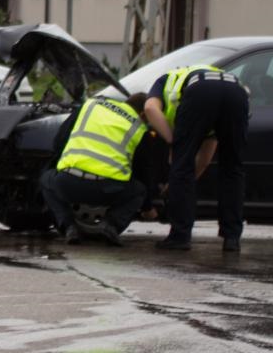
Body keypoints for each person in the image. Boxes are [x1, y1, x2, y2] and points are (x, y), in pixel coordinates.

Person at [144, 65, 251, 252]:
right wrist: (184, 182)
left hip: (200, 91)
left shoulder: (164, 80)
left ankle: (180, 237)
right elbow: (204, 159)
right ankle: (232, 238)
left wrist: (173, 141)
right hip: (237, 92)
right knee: (232, 167)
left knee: (182, 164)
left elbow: (150, 108)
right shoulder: (211, 76)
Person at [41, 93, 154, 246]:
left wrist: (59, 165)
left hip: (68, 183)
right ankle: (111, 226)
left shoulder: (91, 105)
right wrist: (148, 207)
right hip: (108, 190)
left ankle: (68, 226)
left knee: (46, 179)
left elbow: (60, 140)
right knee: (139, 190)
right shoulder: (139, 128)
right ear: (142, 113)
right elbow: (143, 172)